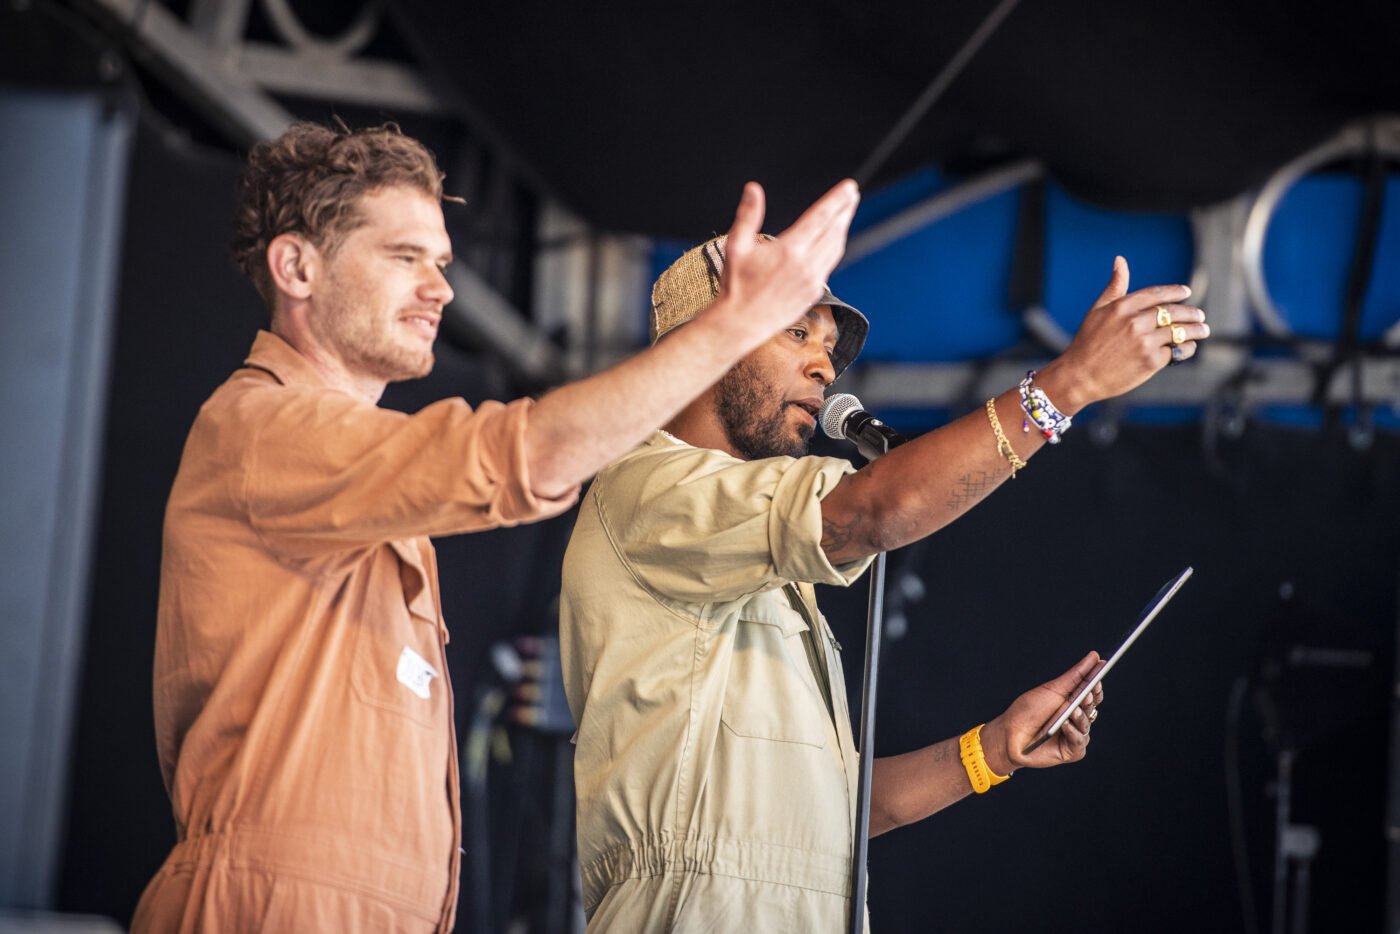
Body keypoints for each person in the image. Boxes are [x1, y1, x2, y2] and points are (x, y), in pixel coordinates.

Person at [130, 121, 859, 933]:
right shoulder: (262, 428)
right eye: (405, 257)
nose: (441, 288)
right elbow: (525, 455)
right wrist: (728, 327)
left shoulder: (356, 479)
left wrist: (982, 758)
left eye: (442, 263)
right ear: (296, 266)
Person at [559, 234, 1210, 930]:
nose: (823, 366)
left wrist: (991, 750)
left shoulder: (754, 562)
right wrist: (1068, 385)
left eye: (829, 346)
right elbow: (876, 508)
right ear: (698, 344)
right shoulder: (647, 488)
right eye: (797, 330)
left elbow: (832, 809)